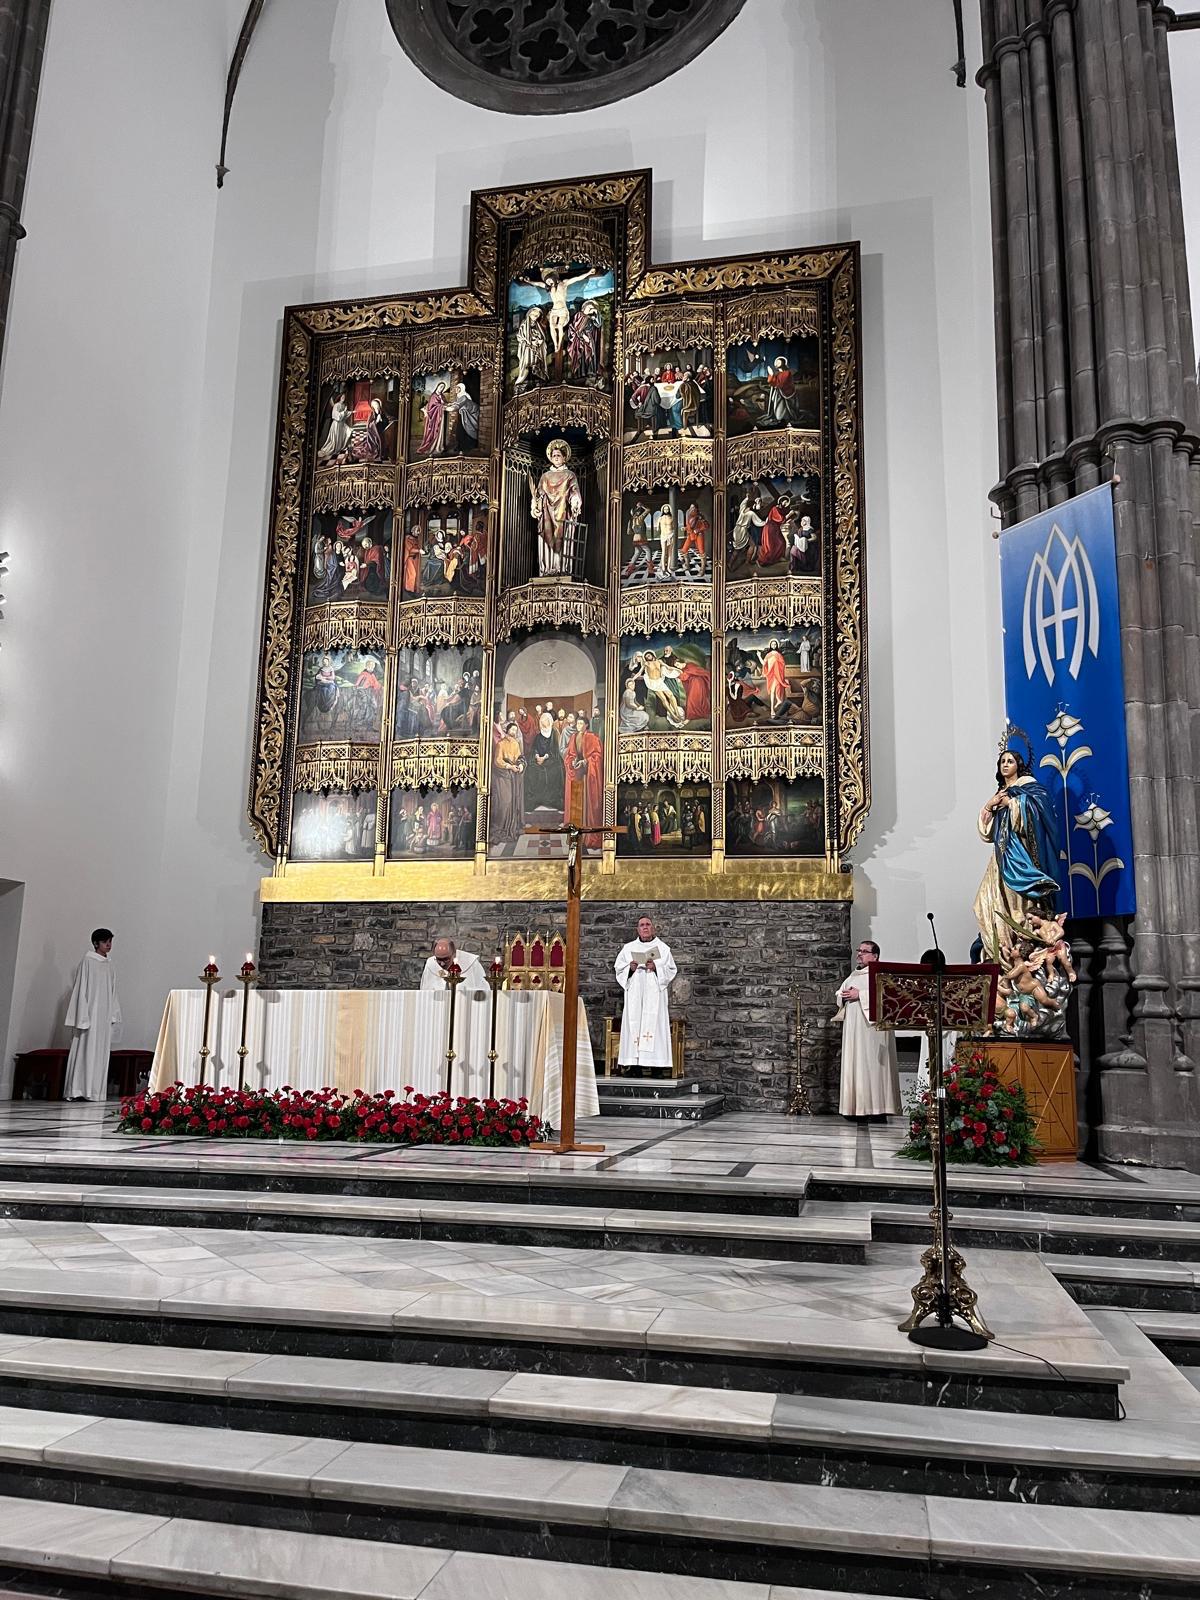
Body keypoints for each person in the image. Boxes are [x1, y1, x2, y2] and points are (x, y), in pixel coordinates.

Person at [973, 740, 1062, 962]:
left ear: (1018, 765)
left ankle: (1020, 946)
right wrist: (989, 806)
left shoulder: (1029, 787)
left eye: (1010, 761)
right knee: (983, 902)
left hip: (1020, 854)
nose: (1005, 765)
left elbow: (1040, 813)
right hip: (1001, 856)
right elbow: (988, 832)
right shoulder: (1000, 792)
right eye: (1002, 761)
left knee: (1019, 904)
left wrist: (1014, 802)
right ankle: (1000, 949)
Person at [835, 938, 900, 1119]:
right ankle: (855, 1109)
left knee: (873, 1067)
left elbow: (888, 996)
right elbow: (841, 994)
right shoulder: (854, 975)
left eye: (864, 951)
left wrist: (860, 995)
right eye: (859, 951)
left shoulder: (881, 974)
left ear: (875, 956)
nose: (859, 954)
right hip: (854, 1031)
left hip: (872, 1033)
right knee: (855, 1065)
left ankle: (878, 1110)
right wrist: (843, 995)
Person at [63, 929, 123, 1101]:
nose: (109, 945)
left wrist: (113, 1014)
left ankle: (95, 1091)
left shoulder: (109, 964)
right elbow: (81, 988)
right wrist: (82, 1016)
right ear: (96, 943)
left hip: (102, 1018)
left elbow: (112, 991)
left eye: (110, 941)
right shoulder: (88, 961)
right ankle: (77, 1090)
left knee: (99, 1053)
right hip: (89, 1015)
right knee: (85, 1050)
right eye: (105, 942)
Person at [614, 915, 678, 1072]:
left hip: (654, 995)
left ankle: (657, 1068)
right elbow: (619, 969)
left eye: (648, 924)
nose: (645, 927)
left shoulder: (663, 949)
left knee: (654, 1025)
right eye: (641, 925)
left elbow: (671, 970)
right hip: (635, 995)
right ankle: (635, 1067)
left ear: (653, 928)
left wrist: (656, 968)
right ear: (637, 929)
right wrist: (631, 969)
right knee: (634, 1024)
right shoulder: (628, 949)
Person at [529, 439, 583, 577]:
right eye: (554, 455)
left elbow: (574, 491)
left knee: (563, 539)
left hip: (563, 513)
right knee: (547, 540)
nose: (556, 458)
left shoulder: (570, 475)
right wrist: (536, 506)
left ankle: (562, 569)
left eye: (559, 455)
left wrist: (575, 502)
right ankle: (547, 569)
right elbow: (538, 494)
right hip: (547, 514)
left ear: (564, 457)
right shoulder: (545, 476)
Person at [419, 936, 488, 995]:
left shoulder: (471, 962)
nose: (442, 964)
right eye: (439, 959)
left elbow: (484, 990)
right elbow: (424, 992)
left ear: (454, 954)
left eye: (446, 959)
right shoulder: (431, 964)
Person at [516, 305, 550, 390]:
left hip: (538, 350)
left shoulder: (538, 325)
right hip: (528, 350)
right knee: (528, 367)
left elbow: (542, 336)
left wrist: (541, 341)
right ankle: (524, 385)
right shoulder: (524, 324)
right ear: (529, 314)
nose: (535, 317)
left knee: (537, 366)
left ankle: (537, 383)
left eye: (537, 316)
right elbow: (521, 338)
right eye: (534, 315)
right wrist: (531, 342)